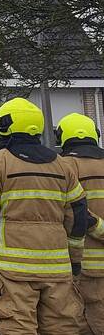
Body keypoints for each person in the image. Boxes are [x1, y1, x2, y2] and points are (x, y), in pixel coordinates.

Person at [0, 97, 88, 334]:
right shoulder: (63, 167)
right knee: (62, 327)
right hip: (56, 267)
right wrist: (75, 258)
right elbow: (77, 216)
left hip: (12, 269)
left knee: (18, 327)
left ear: (6, 126)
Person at [58, 113, 104, 334]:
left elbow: (71, 212)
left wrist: (97, 226)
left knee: (83, 321)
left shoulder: (64, 167)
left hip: (80, 263)